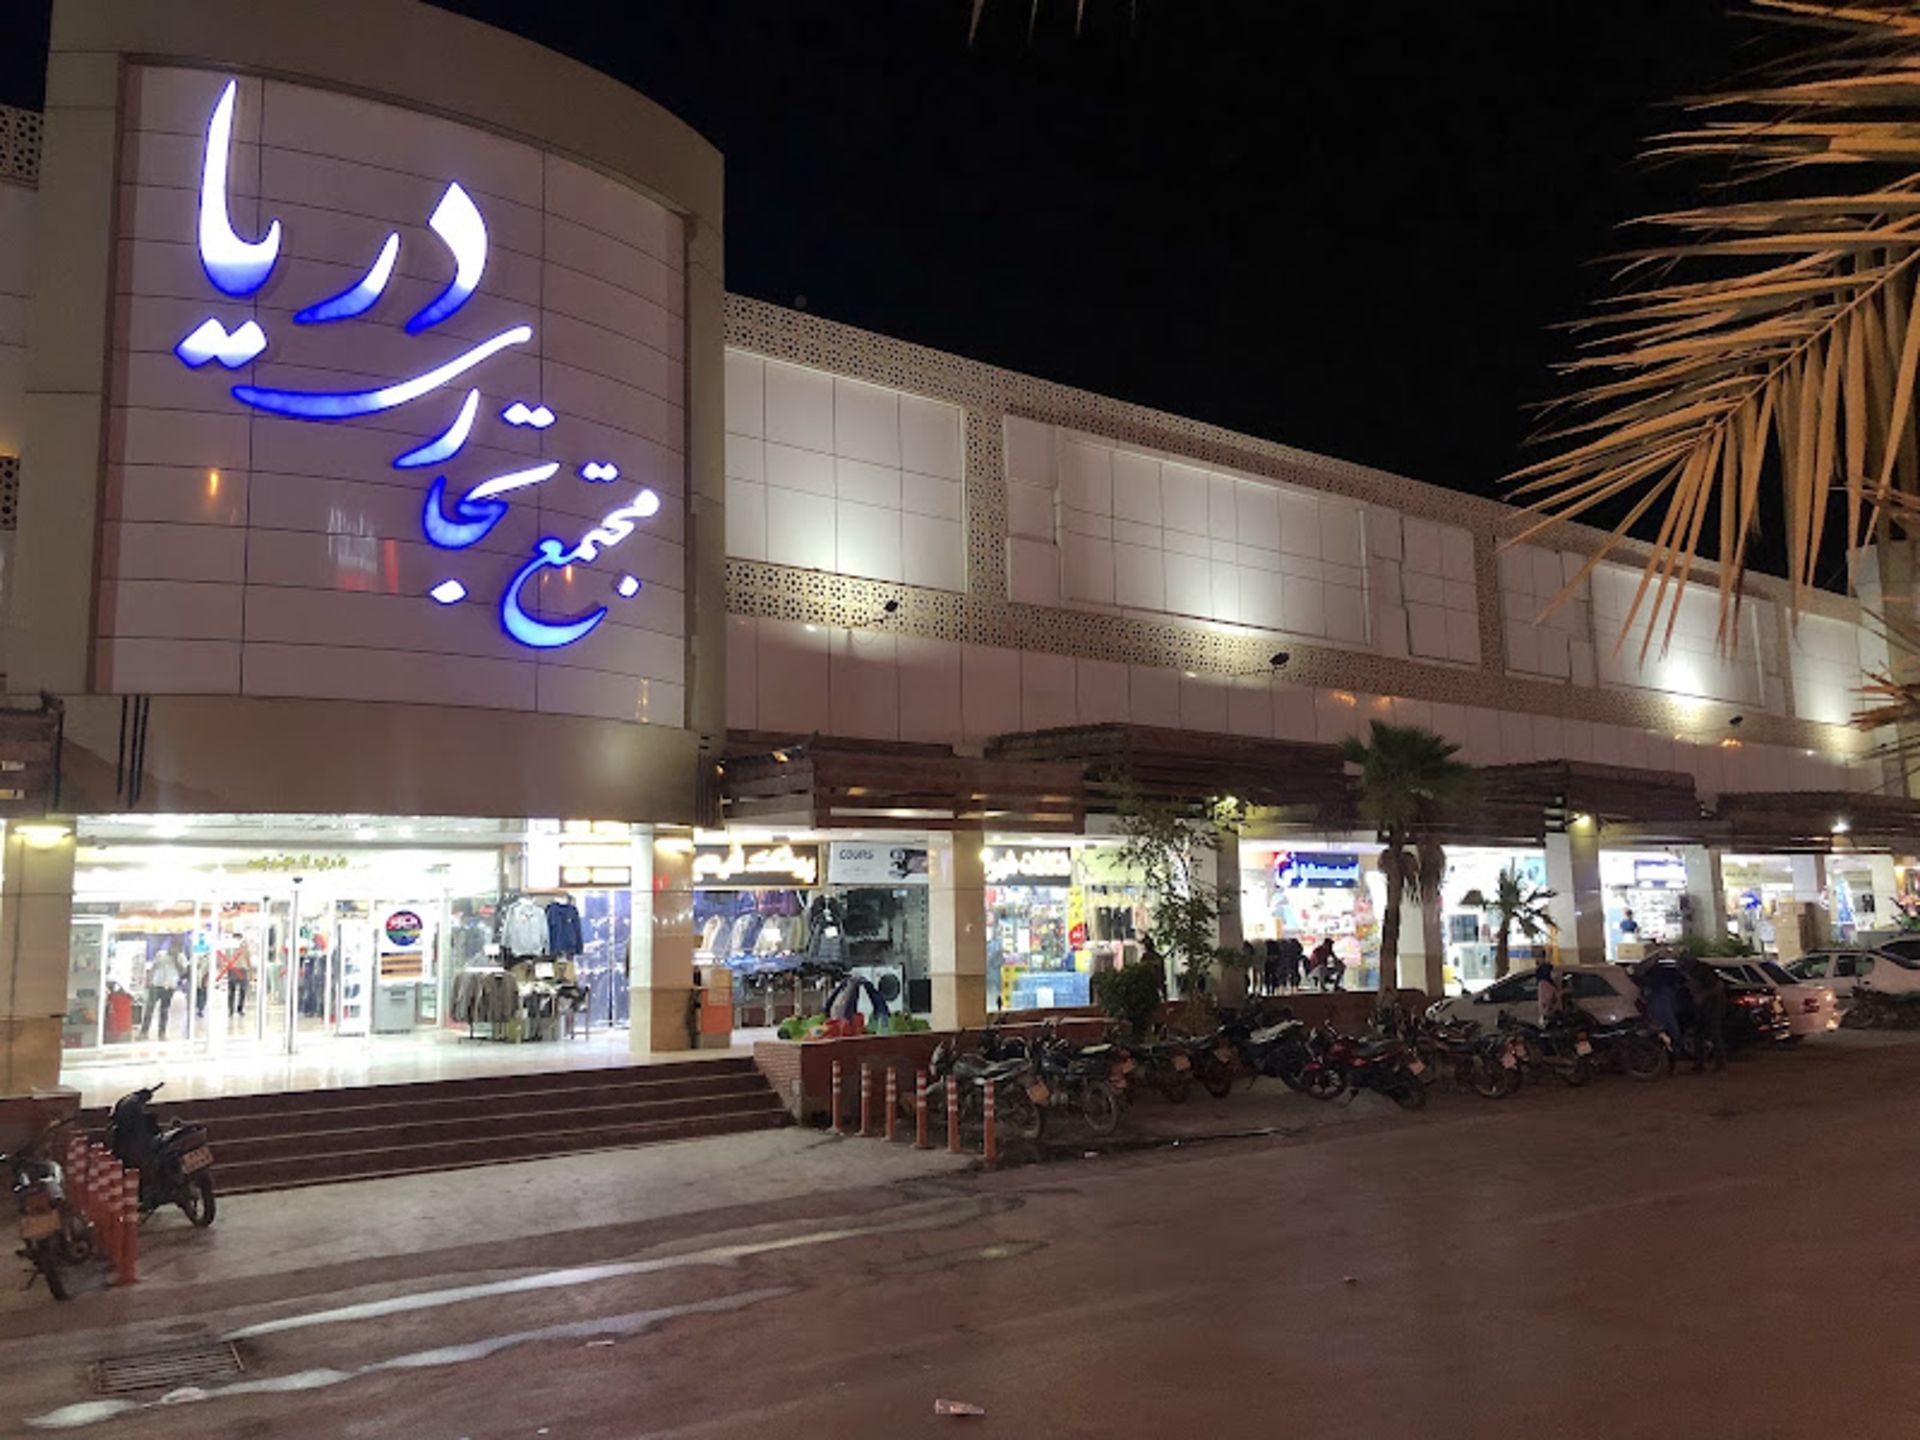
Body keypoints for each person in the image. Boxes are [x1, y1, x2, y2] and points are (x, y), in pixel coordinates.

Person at [1636, 954, 1686, 1067]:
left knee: (1660, 1040)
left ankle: (1665, 1064)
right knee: (1672, 1040)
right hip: (1666, 1019)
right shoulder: (1668, 990)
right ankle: (1671, 1064)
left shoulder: (1652, 990)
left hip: (1657, 1019)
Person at [1683, 956, 1729, 1073]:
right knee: (1699, 1035)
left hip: (1712, 1007)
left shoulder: (1703, 973)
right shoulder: (1699, 972)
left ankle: (1720, 1064)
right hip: (1706, 1007)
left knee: (1713, 1034)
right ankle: (1701, 1064)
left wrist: (1702, 997)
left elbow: (1717, 987)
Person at [139, 938, 184, 1041]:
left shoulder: (181, 957)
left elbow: (182, 971)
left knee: (164, 1010)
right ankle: (144, 1032)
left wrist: (176, 959)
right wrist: (149, 980)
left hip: (169, 987)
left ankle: (162, 1033)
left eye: (175, 947)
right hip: (156, 984)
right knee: (149, 1008)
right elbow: (153, 967)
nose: (172, 948)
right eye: (171, 946)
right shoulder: (160, 954)